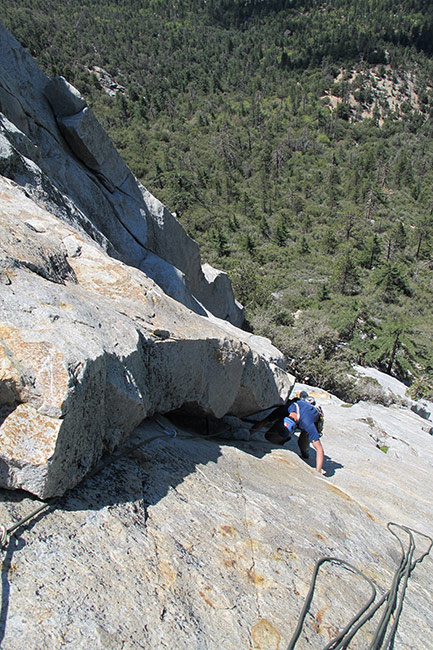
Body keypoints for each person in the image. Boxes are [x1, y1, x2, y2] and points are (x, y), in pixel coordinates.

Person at [251, 391, 325, 474]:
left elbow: (319, 449)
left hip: (310, 417)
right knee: (270, 436)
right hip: (300, 409)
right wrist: (249, 433)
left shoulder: (308, 424)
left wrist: (318, 471)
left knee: (302, 445)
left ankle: (304, 453)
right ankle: (283, 439)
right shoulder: (285, 409)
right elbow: (265, 421)